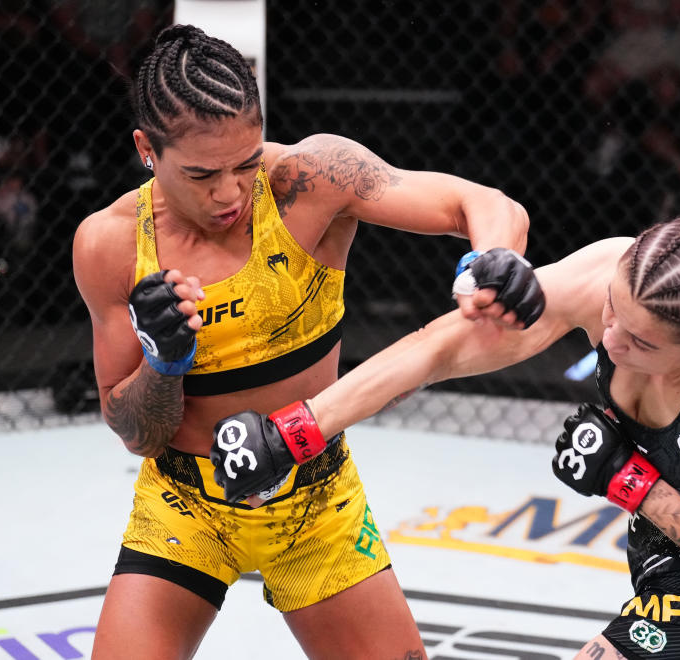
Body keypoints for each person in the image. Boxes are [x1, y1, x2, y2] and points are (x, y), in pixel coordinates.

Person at [71, 24, 544, 660]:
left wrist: (495, 258)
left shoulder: (311, 179)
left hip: (314, 499)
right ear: (146, 150)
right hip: (184, 504)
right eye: (202, 173)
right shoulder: (111, 244)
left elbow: (479, 202)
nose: (230, 192)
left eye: (244, 162)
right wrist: (163, 362)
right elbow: (137, 434)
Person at [215, 214, 680, 659]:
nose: (608, 339)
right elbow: (443, 348)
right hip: (656, 572)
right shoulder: (618, 272)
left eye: (639, 343)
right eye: (612, 310)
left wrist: (626, 480)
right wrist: (298, 431)